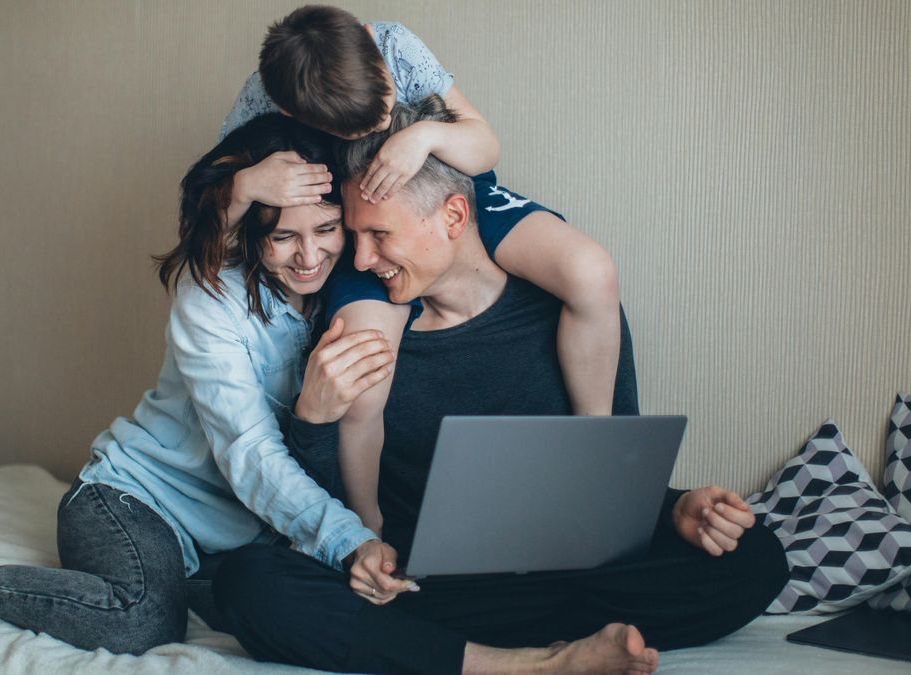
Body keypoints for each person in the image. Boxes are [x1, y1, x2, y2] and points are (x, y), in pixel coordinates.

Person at [212, 100, 791, 675]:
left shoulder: (567, 313)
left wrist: (673, 512)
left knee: (755, 556)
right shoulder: (362, 331)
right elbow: (325, 513)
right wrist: (313, 421)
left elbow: (602, 477)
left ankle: (466, 650)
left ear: (455, 217)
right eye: (357, 236)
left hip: (566, 575)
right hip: (427, 584)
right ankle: (532, 663)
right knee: (248, 585)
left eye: (381, 235)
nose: (360, 259)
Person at [0, 114, 395, 655]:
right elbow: (249, 453)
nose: (309, 255)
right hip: (132, 501)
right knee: (142, 620)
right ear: (253, 235)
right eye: (283, 238)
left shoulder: (349, 296)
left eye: (325, 229)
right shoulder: (211, 299)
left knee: (302, 611)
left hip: (234, 541)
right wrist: (347, 538)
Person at [223, 4, 624, 538]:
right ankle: (367, 525)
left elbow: (485, 143)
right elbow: (211, 206)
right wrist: (246, 183)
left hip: (450, 189)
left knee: (591, 272)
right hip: (363, 219)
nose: (381, 127)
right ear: (294, 114)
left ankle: (596, 444)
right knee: (365, 377)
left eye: (384, 109)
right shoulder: (261, 101)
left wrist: (426, 137)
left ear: (372, 47)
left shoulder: (396, 43)